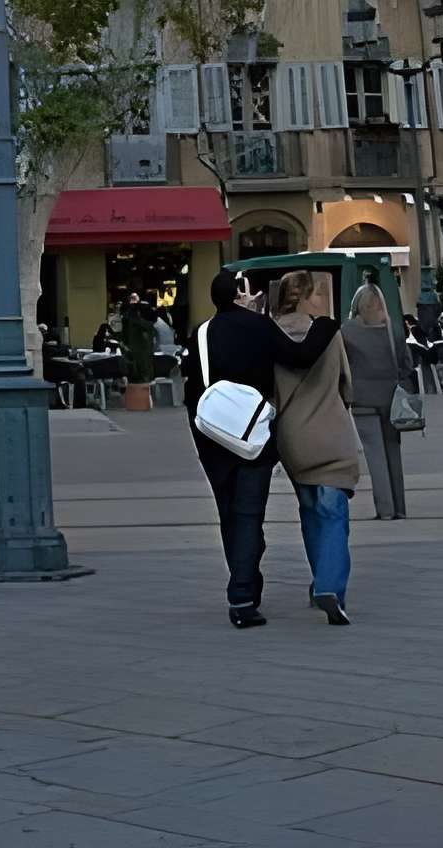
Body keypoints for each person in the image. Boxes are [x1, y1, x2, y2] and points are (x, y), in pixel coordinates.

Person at [181, 266, 340, 628]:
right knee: (249, 513)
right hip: (251, 437)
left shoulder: (201, 334)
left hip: (212, 438)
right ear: (240, 294)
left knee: (229, 513)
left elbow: (191, 389)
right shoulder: (259, 326)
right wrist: (326, 325)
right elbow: (299, 357)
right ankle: (242, 595)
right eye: (250, 292)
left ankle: (244, 583)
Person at [270, 270, 361, 625]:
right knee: (333, 513)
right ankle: (330, 586)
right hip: (330, 432)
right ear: (307, 298)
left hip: (293, 437)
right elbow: (346, 385)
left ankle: (318, 581)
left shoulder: (272, 333)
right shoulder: (327, 332)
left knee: (310, 511)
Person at [343, 282, 413, 519]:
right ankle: (400, 508)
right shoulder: (393, 330)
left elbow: (342, 367)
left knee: (375, 457)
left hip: (363, 400)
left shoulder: (347, 332)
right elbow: (406, 365)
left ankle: (384, 509)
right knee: (394, 453)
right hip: (392, 400)